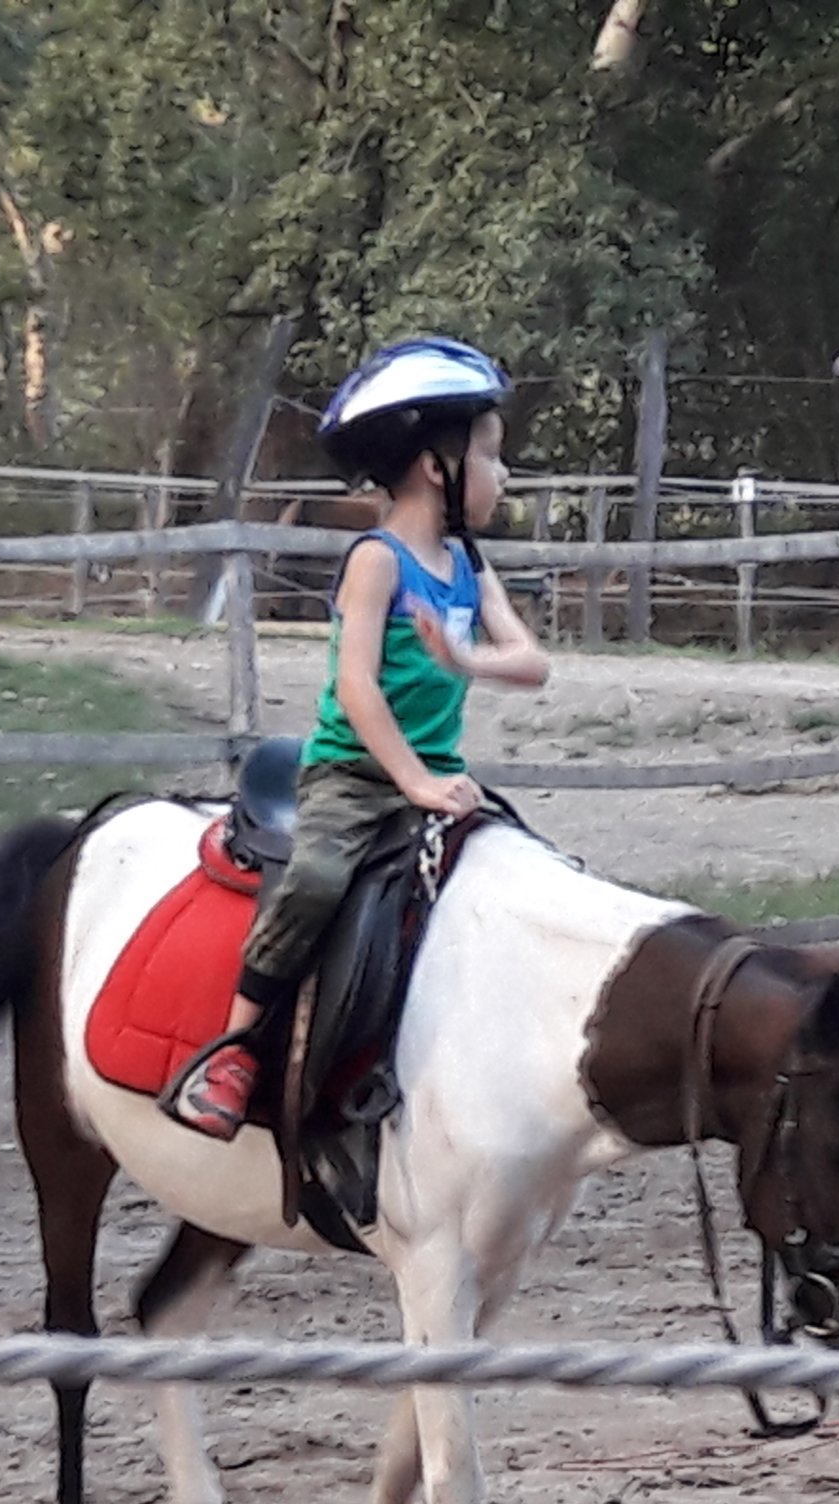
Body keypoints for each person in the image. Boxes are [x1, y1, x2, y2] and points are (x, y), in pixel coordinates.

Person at [165, 337, 552, 1141]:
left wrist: (467, 658)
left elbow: (532, 662)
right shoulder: (377, 561)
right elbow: (356, 688)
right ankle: (233, 1050)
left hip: (438, 776)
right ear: (434, 467)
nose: (504, 475)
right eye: (490, 455)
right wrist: (412, 781)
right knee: (315, 880)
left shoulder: (468, 563)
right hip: (352, 777)